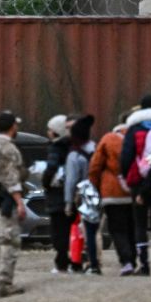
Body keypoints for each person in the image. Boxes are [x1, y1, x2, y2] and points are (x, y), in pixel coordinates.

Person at [119, 96, 151, 275]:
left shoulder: (134, 129)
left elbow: (126, 156)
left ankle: (144, 263)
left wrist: (127, 177)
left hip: (138, 180)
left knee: (140, 224)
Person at [0, 111, 29, 297]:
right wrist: (20, 202)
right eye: (16, 125)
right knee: (11, 239)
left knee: (3, 238)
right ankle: (5, 282)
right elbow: (11, 178)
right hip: (6, 197)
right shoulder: (9, 149)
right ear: (12, 127)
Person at [89, 120, 136, 276]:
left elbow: (95, 166)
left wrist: (97, 186)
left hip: (112, 192)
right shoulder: (138, 137)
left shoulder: (108, 139)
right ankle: (135, 260)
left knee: (117, 229)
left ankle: (126, 261)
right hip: (134, 190)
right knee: (132, 228)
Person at [64, 115, 99, 273]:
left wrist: (68, 202)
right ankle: (96, 261)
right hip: (99, 194)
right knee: (96, 231)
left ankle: (83, 262)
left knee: (82, 231)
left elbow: (71, 181)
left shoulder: (74, 155)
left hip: (82, 197)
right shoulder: (96, 148)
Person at [44, 114, 75, 273]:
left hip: (57, 194)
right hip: (74, 194)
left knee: (58, 231)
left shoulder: (55, 148)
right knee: (73, 229)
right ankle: (76, 260)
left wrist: (45, 182)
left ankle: (61, 262)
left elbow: (51, 169)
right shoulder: (75, 146)